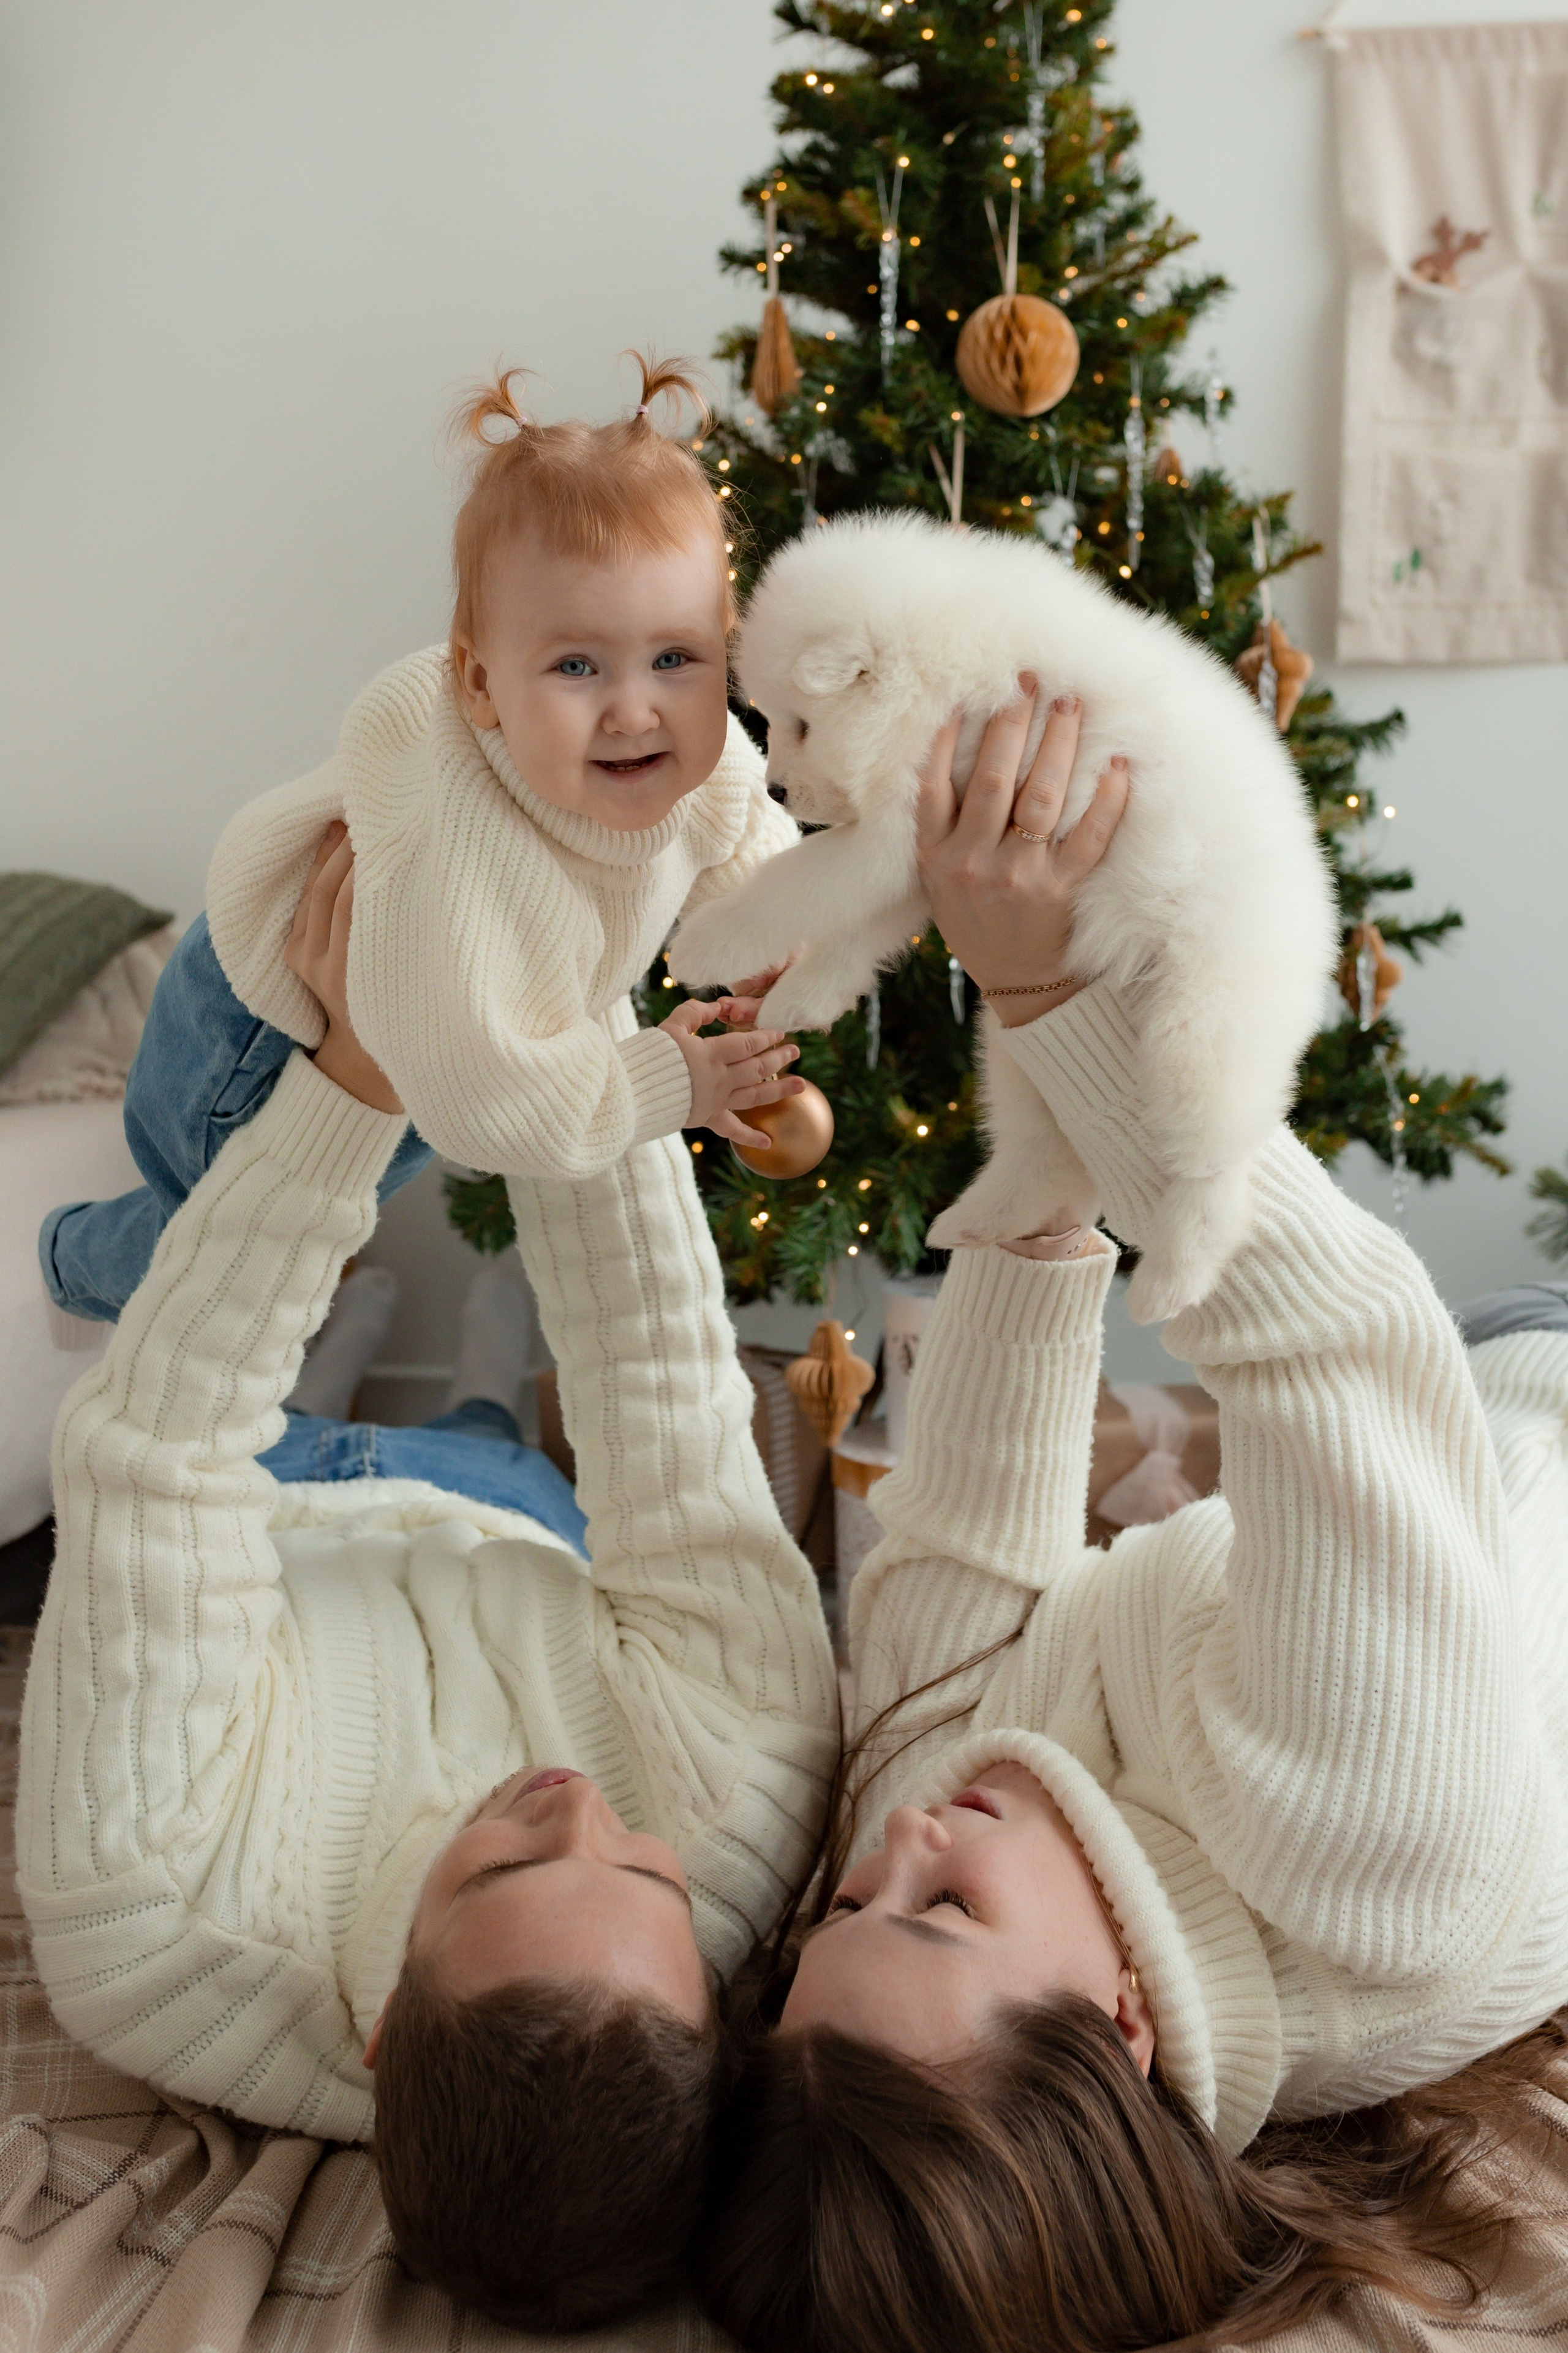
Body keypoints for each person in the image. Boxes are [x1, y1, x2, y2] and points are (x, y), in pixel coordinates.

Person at [693, 687, 1568, 2353]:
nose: (900, 1843)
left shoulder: (966, 1847)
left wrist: (1041, 1171)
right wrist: (1062, 988)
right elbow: (1347, 1348)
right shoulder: (1372, 1864)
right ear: (1126, 2025)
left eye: (845, 1910)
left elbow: (958, 1538)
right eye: (937, 1908)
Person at [17, 836, 839, 2332]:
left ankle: (326, 1346)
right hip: (508, 1545)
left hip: (250, 1537)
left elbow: (153, 1452)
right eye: (642, 1873)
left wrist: (354, 1084)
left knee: (233, 1159)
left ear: (390, 2022)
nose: (576, 1800)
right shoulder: (741, 1810)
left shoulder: (145, 1912)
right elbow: (658, 1395)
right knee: (489, 1442)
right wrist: (580, 1018)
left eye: (511, 1867)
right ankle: (451, 1370)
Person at [39, 350, 799, 1324]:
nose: (635, 710)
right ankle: (73, 1261)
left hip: (425, 1028)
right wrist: (665, 1081)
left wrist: (785, 932)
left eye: (674, 657)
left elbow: (747, 831)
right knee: (222, 1250)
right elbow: (487, 1104)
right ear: (481, 685)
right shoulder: (465, 859)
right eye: (577, 664)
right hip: (253, 1042)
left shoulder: (703, 749)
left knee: (310, 1235)